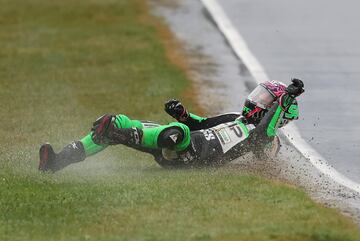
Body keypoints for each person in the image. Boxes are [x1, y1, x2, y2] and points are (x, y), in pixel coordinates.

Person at [39, 79, 304, 172]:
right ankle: (56, 162)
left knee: (178, 134)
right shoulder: (237, 117)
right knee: (114, 123)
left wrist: (286, 98)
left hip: (196, 156)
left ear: (275, 110)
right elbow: (202, 123)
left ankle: (130, 134)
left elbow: (262, 134)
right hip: (182, 143)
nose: (256, 101)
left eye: (265, 100)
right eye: (259, 95)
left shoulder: (269, 141)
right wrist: (183, 113)